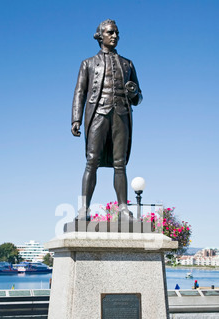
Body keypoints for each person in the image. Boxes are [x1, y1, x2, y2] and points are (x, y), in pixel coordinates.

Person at [71, 19, 142, 220]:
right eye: (110, 32)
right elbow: (79, 92)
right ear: (100, 35)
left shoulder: (128, 64)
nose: (115, 36)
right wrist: (76, 118)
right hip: (98, 114)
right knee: (91, 161)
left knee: (120, 164)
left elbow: (139, 98)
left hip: (121, 115)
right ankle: (84, 209)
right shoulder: (88, 63)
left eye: (117, 33)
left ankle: (123, 208)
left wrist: (134, 91)